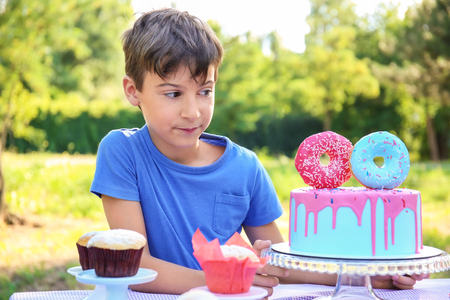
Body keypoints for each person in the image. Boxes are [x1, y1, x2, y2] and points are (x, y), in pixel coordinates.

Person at [90, 7, 429, 297]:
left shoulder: (245, 166)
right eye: (173, 94)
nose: (192, 111)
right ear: (133, 91)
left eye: (204, 91)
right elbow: (136, 267)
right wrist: (229, 283)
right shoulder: (122, 152)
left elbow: (281, 267)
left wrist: (369, 277)